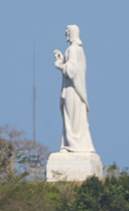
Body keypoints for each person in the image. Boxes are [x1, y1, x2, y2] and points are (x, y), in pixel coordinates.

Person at [52, 24, 95, 153]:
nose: (65, 33)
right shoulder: (78, 50)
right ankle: (70, 144)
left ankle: (73, 145)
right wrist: (64, 59)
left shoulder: (73, 49)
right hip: (75, 90)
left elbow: (71, 70)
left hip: (72, 90)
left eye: (67, 31)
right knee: (73, 118)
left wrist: (59, 65)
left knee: (72, 119)